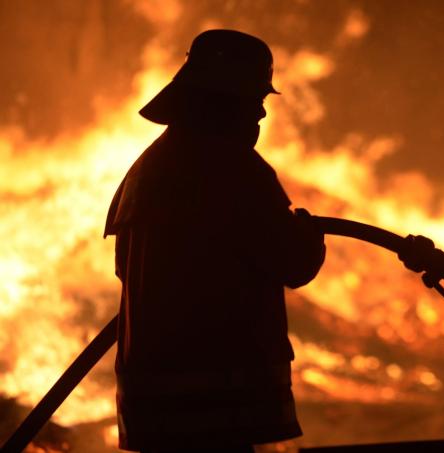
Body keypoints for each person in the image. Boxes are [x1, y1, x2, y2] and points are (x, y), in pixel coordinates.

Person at [103, 29, 326, 453]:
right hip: (216, 410)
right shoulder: (235, 170)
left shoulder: (145, 173)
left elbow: (123, 270)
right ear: (225, 101)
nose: (260, 115)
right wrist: (308, 234)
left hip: (155, 412)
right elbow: (293, 263)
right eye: (254, 101)